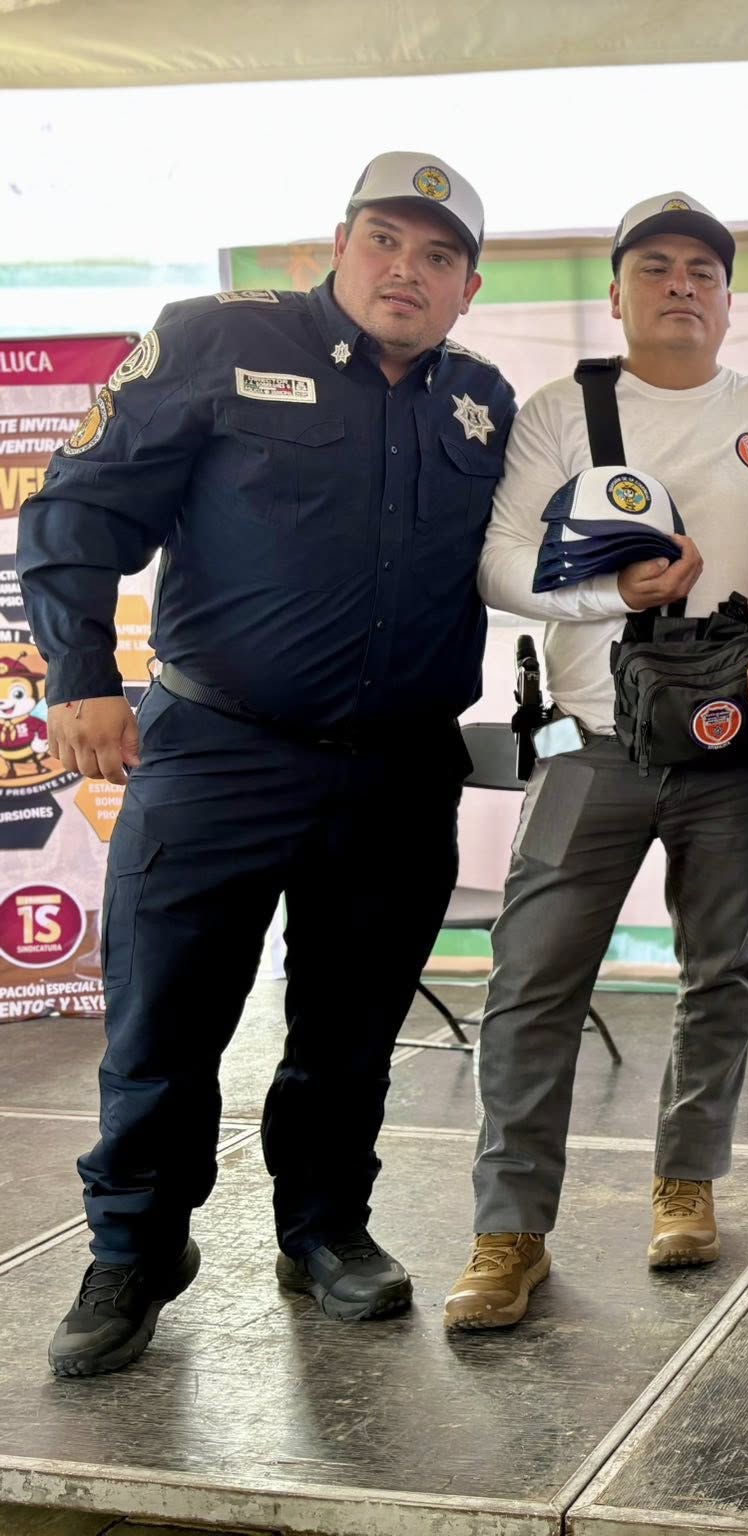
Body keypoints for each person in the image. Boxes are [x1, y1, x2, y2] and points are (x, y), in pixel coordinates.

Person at [21, 152, 516, 1377]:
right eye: (384, 241)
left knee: (350, 1029)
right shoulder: (215, 339)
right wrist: (81, 677)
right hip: (218, 755)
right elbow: (76, 510)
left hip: (397, 772)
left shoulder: (482, 400)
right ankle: (134, 1251)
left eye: (439, 256)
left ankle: (325, 1229)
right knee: (164, 1021)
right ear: (336, 246)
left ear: (468, 288)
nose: (407, 271)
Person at [443, 192, 748, 1329]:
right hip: (586, 743)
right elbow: (498, 562)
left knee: (721, 973)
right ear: (616, 294)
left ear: (729, 300)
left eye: (703, 270)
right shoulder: (563, 409)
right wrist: (610, 590)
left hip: (732, 752)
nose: (680, 285)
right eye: (655, 267)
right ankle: (508, 1232)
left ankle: (686, 1182)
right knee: (531, 981)